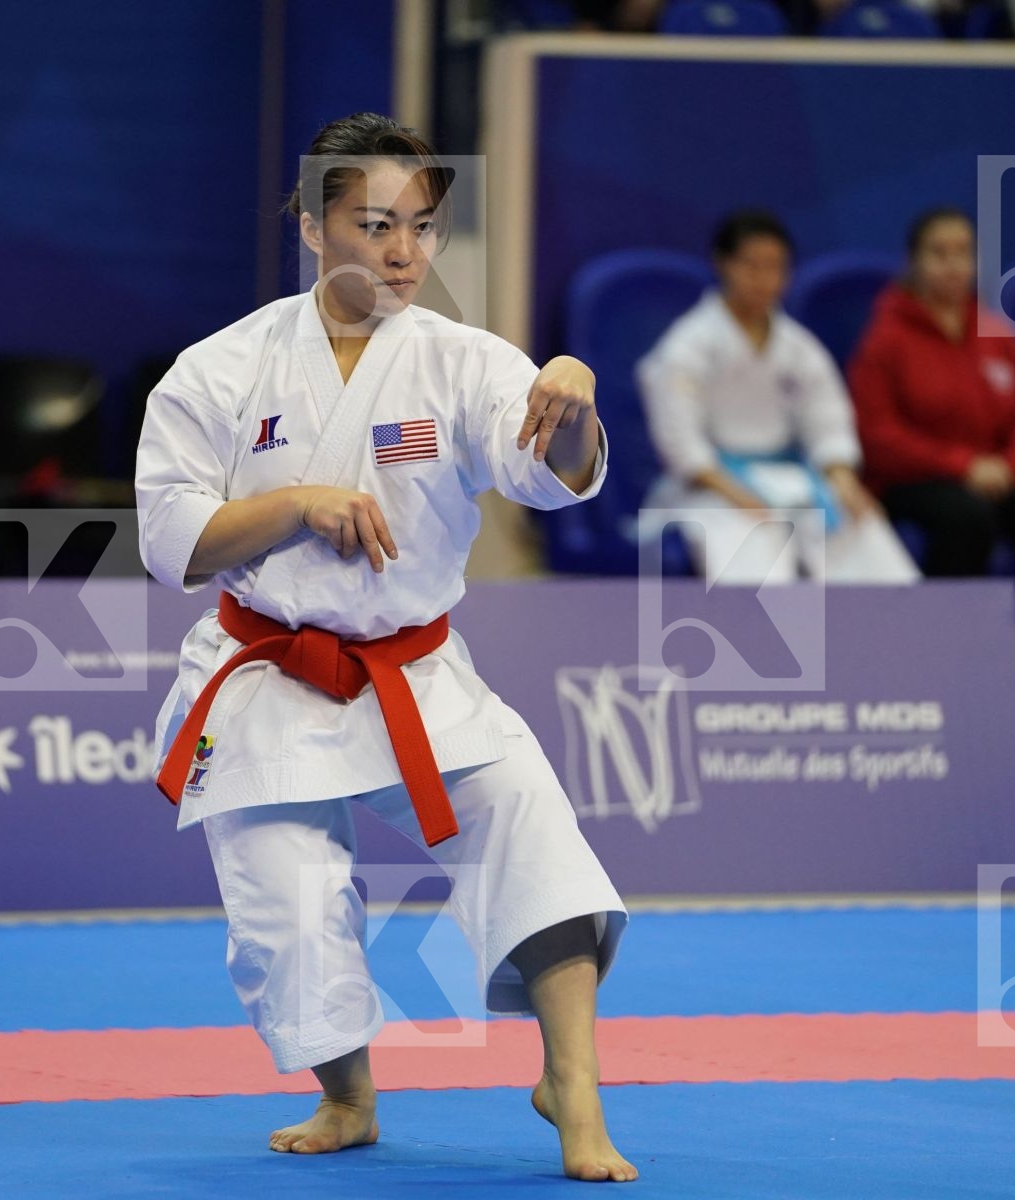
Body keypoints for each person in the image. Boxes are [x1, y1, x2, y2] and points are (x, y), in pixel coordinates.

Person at [134, 112, 637, 1183]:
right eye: (375, 223)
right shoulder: (217, 370)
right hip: (267, 671)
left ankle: (575, 1093)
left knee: (534, 827)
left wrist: (575, 402)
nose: (404, 251)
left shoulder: (464, 361)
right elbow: (171, 542)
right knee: (292, 908)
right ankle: (347, 1096)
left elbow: (548, 470)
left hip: (413, 667)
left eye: (422, 226)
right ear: (314, 228)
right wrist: (299, 505)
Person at [637, 209, 920, 585]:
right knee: (752, 539)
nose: (764, 280)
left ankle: (880, 635)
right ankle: (754, 639)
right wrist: (738, 494)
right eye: (751, 266)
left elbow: (827, 421)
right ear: (723, 264)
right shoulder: (687, 345)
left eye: (775, 267)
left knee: (860, 524)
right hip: (714, 486)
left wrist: (844, 483)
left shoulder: (799, 347)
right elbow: (680, 441)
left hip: (792, 479)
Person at [848, 207, 1015, 577]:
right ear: (913, 261)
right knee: (965, 519)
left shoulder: (997, 332)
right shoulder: (886, 339)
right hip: (914, 483)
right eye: (939, 253)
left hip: (997, 477)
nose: (953, 265)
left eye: (963, 252)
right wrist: (963, 466)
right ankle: (948, 631)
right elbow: (878, 435)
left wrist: (1010, 469)